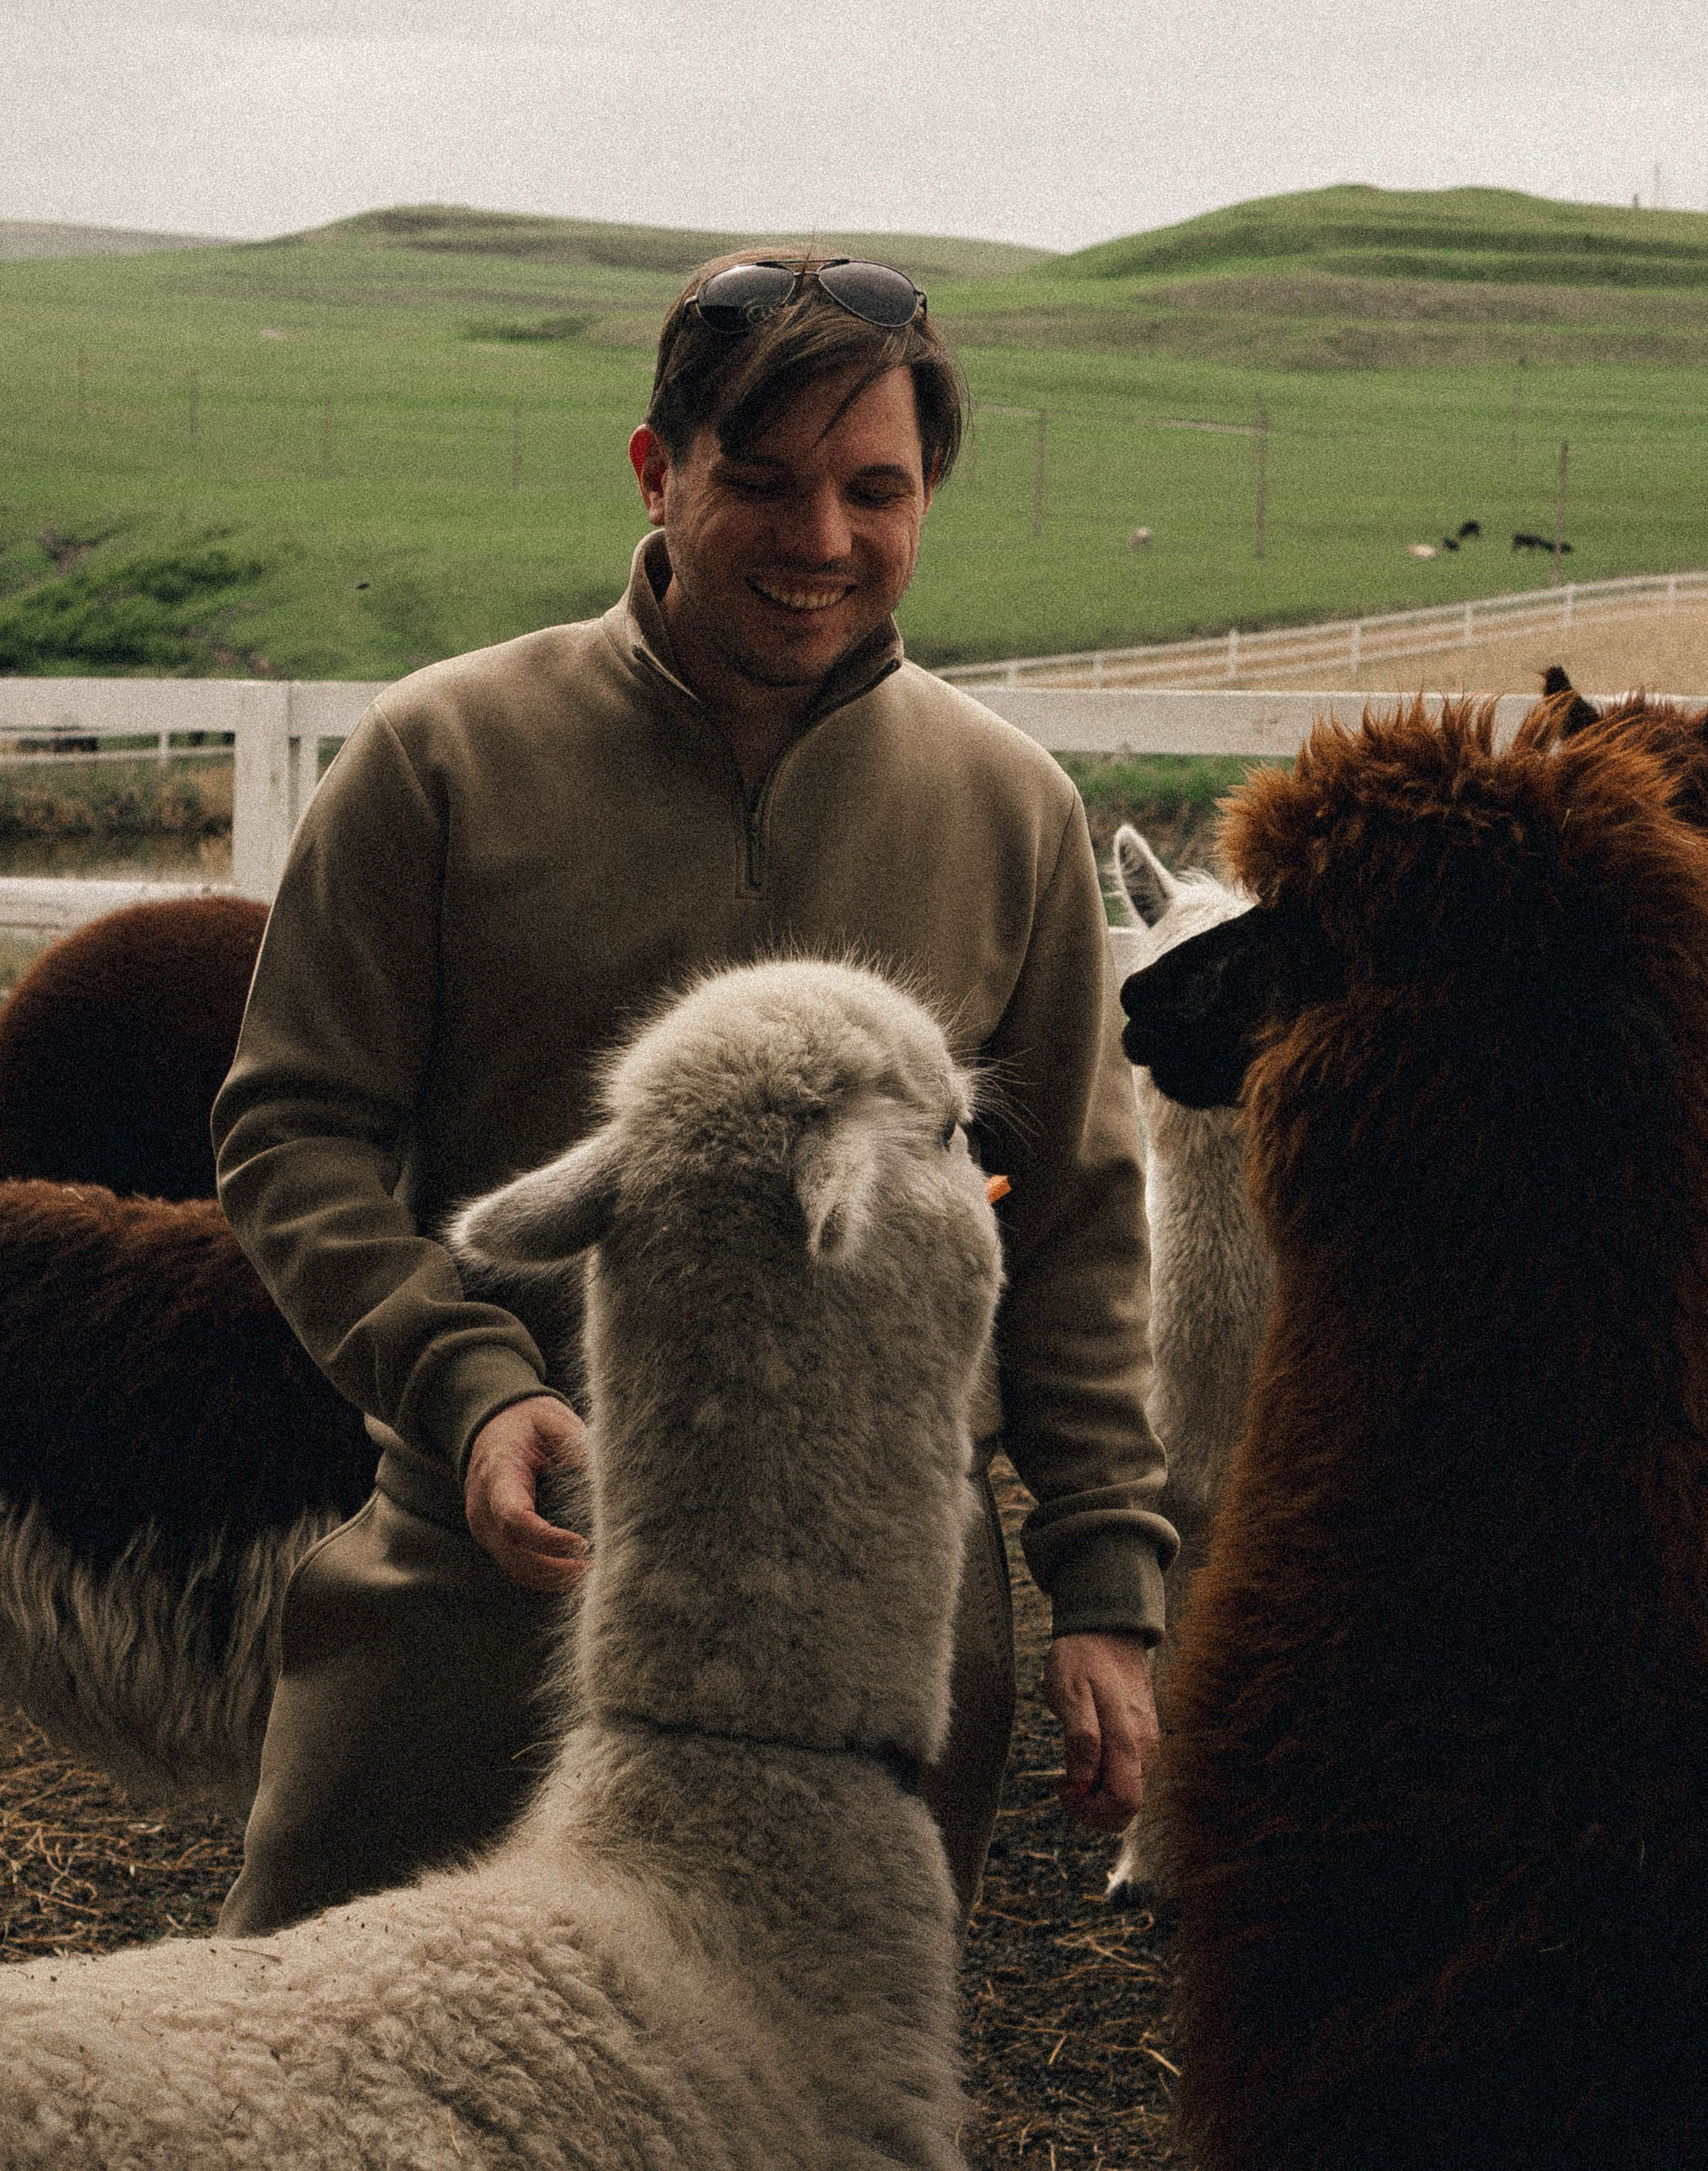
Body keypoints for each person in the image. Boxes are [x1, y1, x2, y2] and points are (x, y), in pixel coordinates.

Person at [212, 251, 1173, 1937]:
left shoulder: (1004, 809)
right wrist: (467, 1381)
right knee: (326, 2069)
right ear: (657, 470)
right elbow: (293, 1129)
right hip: (498, 1570)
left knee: (795, 2093)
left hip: (874, 1620)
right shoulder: (436, 761)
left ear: (925, 495)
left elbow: (1084, 1221)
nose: (822, 542)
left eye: (875, 491)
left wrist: (1104, 1582)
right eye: (765, 481)